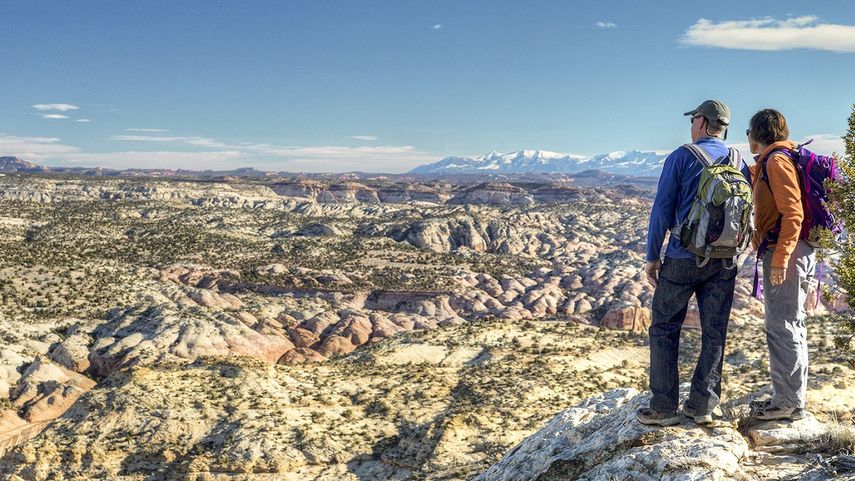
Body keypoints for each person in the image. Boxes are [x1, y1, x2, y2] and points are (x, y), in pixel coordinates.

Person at [637, 100, 752, 426]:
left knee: (663, 328)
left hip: (682, 257)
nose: (692, 124)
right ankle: (703, 406)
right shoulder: (737, 160)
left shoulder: (682, 156)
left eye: (694, 119)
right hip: (724, 261)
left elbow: (661, 209)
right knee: (714, 333)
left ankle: (663, 408)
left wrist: (651, 257)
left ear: (702, 122)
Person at [748, 109, 814, 421]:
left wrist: (781, 258)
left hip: (786, 253)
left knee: (782, 326)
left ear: (757, 134)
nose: (747, 136)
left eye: (749, 131)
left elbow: (794, 213)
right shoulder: (777, 159)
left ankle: (787, 403)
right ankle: (790, 398)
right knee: (791, 325)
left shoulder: (776, 161)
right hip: (794, 251)